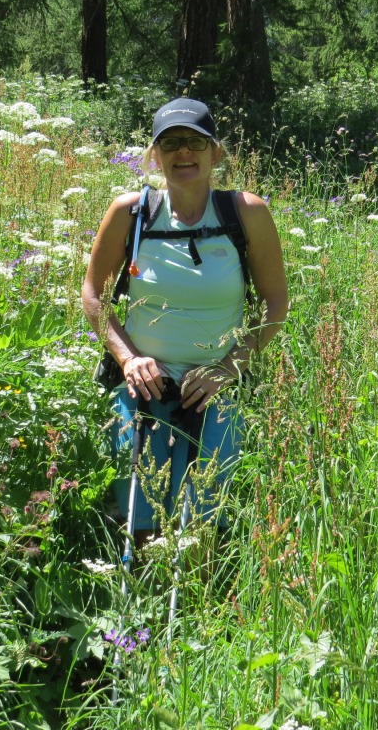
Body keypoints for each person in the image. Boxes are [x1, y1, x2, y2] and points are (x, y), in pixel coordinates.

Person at [82, 98, 288, 544]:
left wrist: (228, 368)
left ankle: (197, 586)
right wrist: (128, 359)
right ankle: (144, 583)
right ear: (155, 155)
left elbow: (275, 304)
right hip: (142, 386)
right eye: (170, 142)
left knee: (203, 518)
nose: (183, 152)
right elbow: (94, 295)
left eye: (195, 142)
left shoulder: (245, 213)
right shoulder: (131, 213)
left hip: (215, 388)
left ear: (216, 153)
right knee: (140, 515)